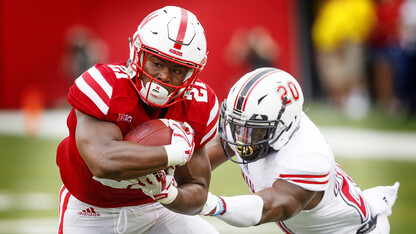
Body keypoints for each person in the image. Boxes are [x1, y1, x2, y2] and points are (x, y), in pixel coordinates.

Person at [56, 6, 219, 234]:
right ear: (137, 53)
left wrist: (169, 194)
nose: (164, 77)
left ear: (192, 73)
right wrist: (175, 152)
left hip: (156, 208)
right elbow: (103, 161)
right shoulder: (106, 85)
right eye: (157, 63)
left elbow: (198, 192)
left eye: (177, 70)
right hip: (91, 211)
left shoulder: (198, 104)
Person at [199, 67, 400, 233]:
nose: (241, 138)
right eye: (237, 126)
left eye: (253, 131)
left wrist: (210, 203)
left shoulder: (309, 155)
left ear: (283, 126)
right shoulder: (255, 124)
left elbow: (269, 207)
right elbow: (218, 147)